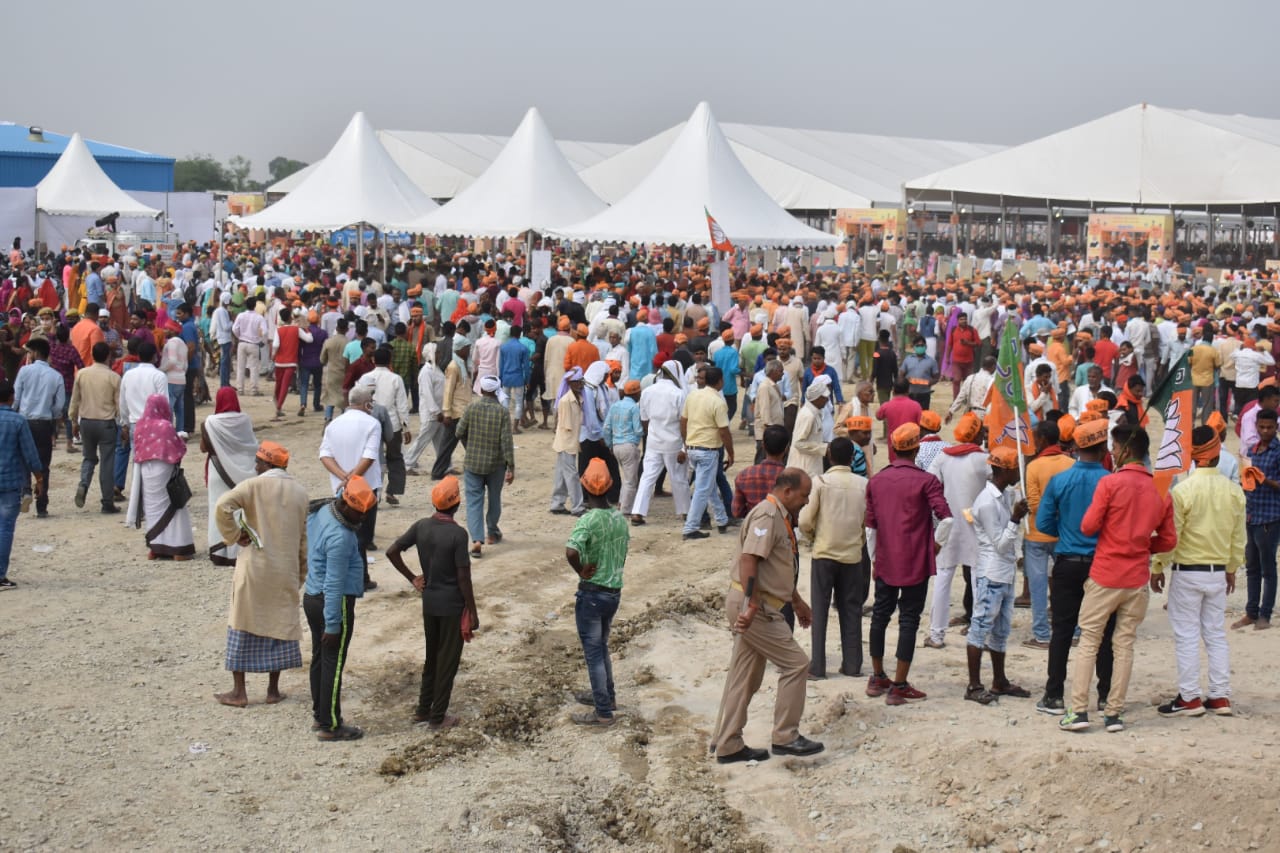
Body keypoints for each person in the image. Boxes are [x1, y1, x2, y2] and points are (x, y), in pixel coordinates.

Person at [1061, 424, 1176, 734]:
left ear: (1124, 450)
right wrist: (1140, 544)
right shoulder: (1160, 489)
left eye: (1113, 447)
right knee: (1124, 644)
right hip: (1136, 577)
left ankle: (1079, 710)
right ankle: (1114, 714)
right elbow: (1167, 541)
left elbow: (1087, 527)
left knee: (1089, 641)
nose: (1110, 451)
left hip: (1106, 573)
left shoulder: (1110, 484)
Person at [712, 468, 824, 763]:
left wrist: (796, 601)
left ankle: (728, 743)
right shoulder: (767, 516)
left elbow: (776, 567)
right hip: (756, 607)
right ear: (787, 492)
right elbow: (750, 560)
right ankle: (786, 736)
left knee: (745, 677)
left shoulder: (780, 517)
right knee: (797, 664)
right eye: (804, 495)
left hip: (761, 603)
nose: (806, 501)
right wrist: (750, 605)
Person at [1153, 426, 1244, 718]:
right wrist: (1231, 567)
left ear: (1194, 458)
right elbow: (1237, 538)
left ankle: (1189, 698)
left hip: (1187, 572)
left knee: (1187, 635)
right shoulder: (1234, 492)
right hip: (1219, 573)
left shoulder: (1182, 491)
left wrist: (1157, 566)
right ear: (1218, 454)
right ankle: (1219, 696)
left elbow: (1172, 536)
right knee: (1215, 634)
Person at [212, 441, 309, 707]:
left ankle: (239, 692)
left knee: (243, 623)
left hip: (255, 567)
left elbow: (223, 506)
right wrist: (300, 572)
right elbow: (303, 539)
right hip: (284, 568)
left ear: (266, 464)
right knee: (278, 625)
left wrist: (233, 536)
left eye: (258, 462)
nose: (255, 466)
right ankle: (273, 690)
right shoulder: (300, 493)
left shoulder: (252, 486)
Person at [865, 423, 953, 705]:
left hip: (886, 558)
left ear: (893, 448)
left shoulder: (877, 481)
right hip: (915, 558)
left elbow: (871, 528)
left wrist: (874, 559)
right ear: (916, 449)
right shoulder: (926, 481)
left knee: (880, 614)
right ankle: (899, 684)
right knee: (909, 619)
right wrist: (937, 544)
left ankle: (878, 676)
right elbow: (947, 518)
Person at [1032, 413, 1115, 715]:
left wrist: (1067, 534)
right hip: (1102, 567)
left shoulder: (1060, 480)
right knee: (1105, 632)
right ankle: (1105, 694)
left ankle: (1054, 694)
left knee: (1062, 631)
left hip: (1066, 562)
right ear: (1104, 448)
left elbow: (1043, 523)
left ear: (1076, 447)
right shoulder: (1110, 481)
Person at [386, 475, 477, 730]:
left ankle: (423, 710)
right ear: (457, 504)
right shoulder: (458, 535)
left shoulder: (421, 526)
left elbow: (391, 551)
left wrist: (413, 578)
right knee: (447, 662)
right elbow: (463, 577)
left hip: (430, 603)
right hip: (451, 606)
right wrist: (472, 609)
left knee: (432, 658)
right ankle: (438, 717)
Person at [304, 475, 376, 741]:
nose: (362, 519)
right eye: (358, 514)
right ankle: (330, 725)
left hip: (312, 597)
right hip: (331, 603)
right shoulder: (341, 537)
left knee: (320, 660)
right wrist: (333, 624)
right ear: (346, 504)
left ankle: (319, 714)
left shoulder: (323, 512)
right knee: (333, 664)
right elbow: (334, 584)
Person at [964, 447, 1033, 705]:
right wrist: (1015, 519)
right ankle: (973, 685)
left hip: (1003, 572)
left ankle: (999, 680)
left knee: (1001, 630)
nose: (1019, 472)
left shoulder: (1003, 495)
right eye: (1016, 468)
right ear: (1004, 469)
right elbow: (1001, 543)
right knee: (980, 627)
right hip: (991, 572)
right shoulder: (986, 502)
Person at [565, 459, 630, 727]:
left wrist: (581, 570)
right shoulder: (619, 518)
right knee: (601, 646)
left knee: (593, 652)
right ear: (610, 486)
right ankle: (607, 696)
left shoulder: (588, 520)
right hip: (613, 592)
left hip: (592, 594)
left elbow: (571, 551)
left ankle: (603, 712)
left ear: (584, 487)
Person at [798, 438, 868, 680]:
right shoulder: (864, 484)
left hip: (824, 552)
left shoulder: (821, 482)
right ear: (852, 458)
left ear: (829, 456)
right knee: (851, 610)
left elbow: (805, 520)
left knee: (819, 609)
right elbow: (867, 522)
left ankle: (818, 666)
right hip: (852, 555)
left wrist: (813, 537)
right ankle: (852, 664)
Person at [925, 413, 988, 648]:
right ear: (976, 434)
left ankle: (937, 634)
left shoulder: (943, 457)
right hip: (976, 523)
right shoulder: (983, 460)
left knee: (943, 578)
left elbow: (929, 483)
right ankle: (977, 631)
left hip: (948, 523)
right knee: (977, 577)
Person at [1022, 420, 1075, 649]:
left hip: (1037, 534)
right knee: (1069, 587)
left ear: (1043, 439)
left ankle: (1042, 634)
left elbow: (1034, 503)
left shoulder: (1033, 466)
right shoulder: (1072, 464)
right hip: (1064, 533)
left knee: (1038, 586)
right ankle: (1074, 632)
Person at [128, 394, 196, 561]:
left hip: (146, 468)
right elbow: (176, 450)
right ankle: (179, 548)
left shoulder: (140, 425)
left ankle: (156, 547)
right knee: (173, 503)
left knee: (152, 506)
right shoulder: (165, 426)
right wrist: (182, 439)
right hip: (164, 467)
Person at [455, 375, 515, 558]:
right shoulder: (502, 412)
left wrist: (469, 445)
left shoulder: (471, 407)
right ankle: (492, 533)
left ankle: (476, 540)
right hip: (496, 464)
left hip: (473, 462)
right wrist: (511, 467)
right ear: (496, 391)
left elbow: (459, 432)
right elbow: (506, 442)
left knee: (474, 501)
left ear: (481, 390)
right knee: (494, 498)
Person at [200, 388, 259, 566]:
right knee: (241, 508)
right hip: (245, 469)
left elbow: (204, 448)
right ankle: (241, 549)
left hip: (218, 471)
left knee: (218, 507)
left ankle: (220, 550)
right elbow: (251, 445)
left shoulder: (210, 422)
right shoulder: (245, 420)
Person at [1235, 407, 1280, 630]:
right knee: (1251, 566)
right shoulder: (1251, 451)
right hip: (1252, 515)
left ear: (1276, 428)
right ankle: (1251, 612)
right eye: (1262, 427)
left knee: (1268, 568)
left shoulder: (1278, 452)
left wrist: (1266, 481)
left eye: (1269, 427)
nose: (1265, 431)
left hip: (1270, 517)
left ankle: (1265, 614)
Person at [630, 360, 690, 524]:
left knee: (647, 477)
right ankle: (685, 512)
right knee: (678, 478)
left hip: (653, 442)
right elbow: (684, 422)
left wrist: (652, 434)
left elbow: (644, 419)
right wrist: (685, 447)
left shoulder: (647, 391)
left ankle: (637, 513)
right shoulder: (679, 394)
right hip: (674, 443)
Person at [680, 366, 734, 540]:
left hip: (693, 447)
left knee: (708, 486)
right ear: (719, 381)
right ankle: (690, 527)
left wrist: (686, 443)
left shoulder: (693, 395)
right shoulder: (718, 401)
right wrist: (731, 453)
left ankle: (721, 519)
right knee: (703, 489)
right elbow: (724, 431)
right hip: (708, 449)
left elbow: (683, 421)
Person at [0, 379, 43, 590]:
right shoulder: (18, 421)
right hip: (10, 481)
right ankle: (0, 575)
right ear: (11, 398)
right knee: (5, 528)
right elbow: (30, 454)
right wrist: (39, 478)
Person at [13, 337, 64, 517]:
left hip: (24, 421)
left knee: (22, 459)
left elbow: (16, 398)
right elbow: (59, 406)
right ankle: (42, 505)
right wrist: (50, 414)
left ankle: (26, 490)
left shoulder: (24, 372)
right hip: (44, 423)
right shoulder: (56, 375)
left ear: (34, 353)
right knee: (44, 464)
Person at [70, 341, 121, 514]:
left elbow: (75, 400)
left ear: (92, 355)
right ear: (108, 356)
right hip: (106, 423)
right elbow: (119, 405)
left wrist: (73, 422)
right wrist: (124, 425)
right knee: (107, 463)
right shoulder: (113, 377)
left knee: (88, 458)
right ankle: (107, 502)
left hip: (86, 422)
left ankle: (83, 484)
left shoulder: (82, 374)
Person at [356, 348, 411, 506]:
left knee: (370, 458)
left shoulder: (365, 378)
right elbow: (402, 405)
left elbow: (358, 400)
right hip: (392, 424)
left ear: (373, 360)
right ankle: (392, 491)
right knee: (395, 457)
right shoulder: (395, 379)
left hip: (368, 423)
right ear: (390, 360)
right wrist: (405, 427)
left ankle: (371, 491)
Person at [116, 340, 168, 501]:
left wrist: (124, 423)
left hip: (134, 423)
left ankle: (137, 497)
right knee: (154, 461)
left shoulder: (128, 375)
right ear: (154, 356)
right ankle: (151, 494)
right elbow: (164, 403)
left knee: (137, 460)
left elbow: (122, 402)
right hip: (155, 425)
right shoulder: (159, 376)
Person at [433, 337, 472, 480]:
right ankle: (438, 472)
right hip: (456, 412)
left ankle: (438, 472)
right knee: (461, 443)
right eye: (467, 348)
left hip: (463, 410)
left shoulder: (464, 364)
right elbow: (448, 391)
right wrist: (447, 413)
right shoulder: (453, 366)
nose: (469, 350)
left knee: (449, 444)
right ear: (460, 349)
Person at [604, 379, 643, 515]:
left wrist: (610, 444)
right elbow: (638, 430)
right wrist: (636, 441)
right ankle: (625, 510)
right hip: (629, 445)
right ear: (636, 393)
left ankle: (622, 504)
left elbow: (606, 427)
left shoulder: (615, 406)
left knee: (626, 478)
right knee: (631, 481)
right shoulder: (634, 408)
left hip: (616, 446)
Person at [550, 366, 586, 516]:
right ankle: (577, 506)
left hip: (570, 441)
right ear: (570, 383)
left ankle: (557, 503)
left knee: (561, 474)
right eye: (576, 382)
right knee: (571, 475)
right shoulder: (565, 401)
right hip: (566, 442)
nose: (579, 385)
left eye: (580, 382)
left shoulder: (579, 398)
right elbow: (566, 426)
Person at [786, 379, 829, 481]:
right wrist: (823, 448)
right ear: (817, 398)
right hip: (804, 467)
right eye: (824, 398)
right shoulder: (808, 415)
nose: (827, 400)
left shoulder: (815, 412)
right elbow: (798, 443)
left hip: (813, 463)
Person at [876, 379, 922, 461]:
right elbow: (920, 426)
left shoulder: (887, 405)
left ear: (893, 391)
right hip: (911, 445)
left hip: (894, 445)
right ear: (908, 390)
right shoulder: (916, 406)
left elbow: (878, 416)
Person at [232, 300, 267, 396]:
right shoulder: (259, 317)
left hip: (242, 343)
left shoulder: (241, 315)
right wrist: (260, 339)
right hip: (254, 344)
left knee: (240, 367)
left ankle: (240, 389)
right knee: (254, 368)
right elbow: (264, 331)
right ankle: (253, 390)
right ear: (255, 306)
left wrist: (239, 336)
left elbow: (234, 328)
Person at [319, 317, 349, 423]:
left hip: (331, 374)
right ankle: (343, 420)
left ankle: (328, 418)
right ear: (347, 329)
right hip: (345, 374)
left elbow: (322, 360)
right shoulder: (348, 343)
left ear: (336, 328)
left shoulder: (328, 342)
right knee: (344, 399)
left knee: (330, 397)